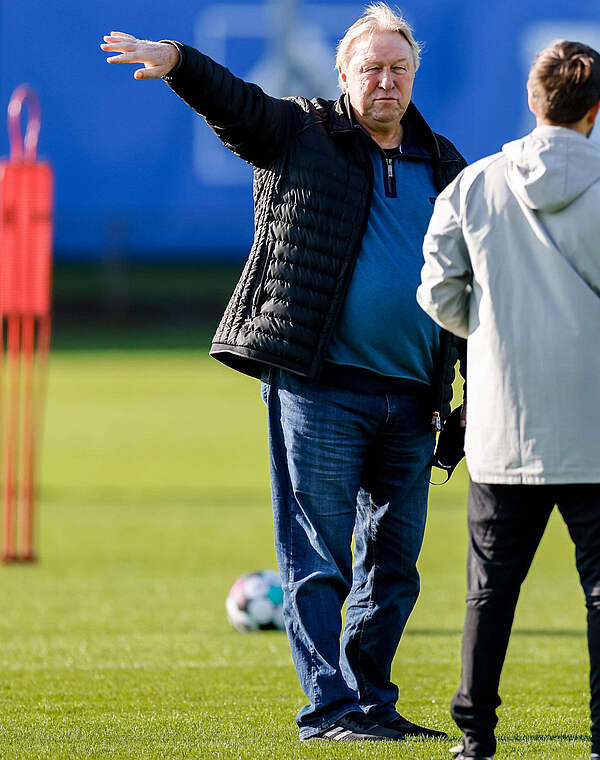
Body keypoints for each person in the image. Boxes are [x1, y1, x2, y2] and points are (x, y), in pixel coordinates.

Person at [101, 3, 467, 742]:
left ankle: (371, 705)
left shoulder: (447, 165)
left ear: (415, 74)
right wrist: (177, 60)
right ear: (344, 76)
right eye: (372, 68)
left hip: (411, 397)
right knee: (317, 558)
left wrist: (462, 398)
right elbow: (236, 104)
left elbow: (469, 287)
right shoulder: (302, 133)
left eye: (399, 68)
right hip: (320, 385)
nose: (386, 81)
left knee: (393, 572)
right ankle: (328, 710)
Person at [418, 39, 600, 760]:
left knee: (489, 591)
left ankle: (475, 738)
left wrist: (498, 342)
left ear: (533, 101)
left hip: (504, 431)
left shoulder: (475, 185)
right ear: (596, 110)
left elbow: (436, 287)